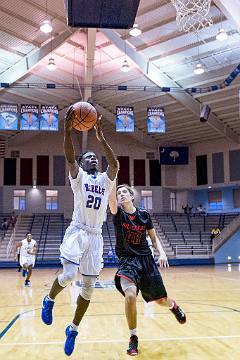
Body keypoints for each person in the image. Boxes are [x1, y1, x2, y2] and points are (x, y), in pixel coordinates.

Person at [41, 106, 119, 356]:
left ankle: (73, 329)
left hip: (96, 236)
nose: (93, 159)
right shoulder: (79, 178)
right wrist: (66, 130)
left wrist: (102, 139)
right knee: (68, 276)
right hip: (78, 232)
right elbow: (69, 156)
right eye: (89, 157)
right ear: (83, 164)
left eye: (96, 157)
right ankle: (49, 299)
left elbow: (115, 165)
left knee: (87, 289)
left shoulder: (106, 181)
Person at [109, 184, 186, 356]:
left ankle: (173, 306)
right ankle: (133, 337)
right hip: (127, 260)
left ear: (131, 196)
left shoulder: (144, 215)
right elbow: (111, 199)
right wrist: (112, 177)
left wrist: (163, 253)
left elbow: (153, 237)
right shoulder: (117, 214)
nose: (120, 195)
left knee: (160, 301)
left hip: (146, 260)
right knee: (130, 296)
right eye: (118, 193)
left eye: (124, 192)